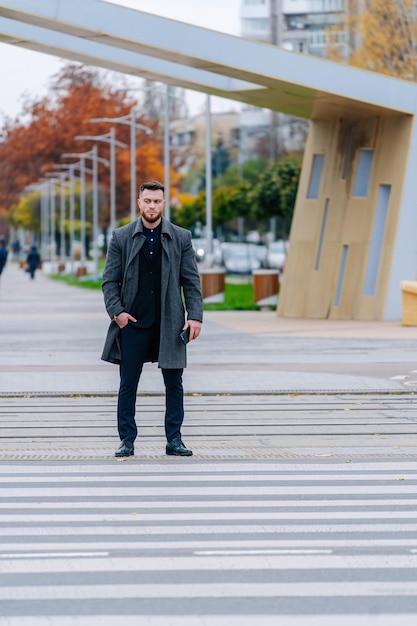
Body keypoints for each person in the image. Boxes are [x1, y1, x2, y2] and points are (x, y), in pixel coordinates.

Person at [101, 180, 203, 458]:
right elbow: (109, 280)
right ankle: (127, 440)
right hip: (133, 322)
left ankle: (174, 439)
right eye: (147, 201)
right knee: (127, 384)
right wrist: (118, 313)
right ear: (139, 203)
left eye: (157, 201)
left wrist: (195, 316)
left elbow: (191, 281)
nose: (152, 206)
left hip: (170, 322)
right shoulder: (121, 237)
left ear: (163, 204)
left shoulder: (181, 237)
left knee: (174, 383)